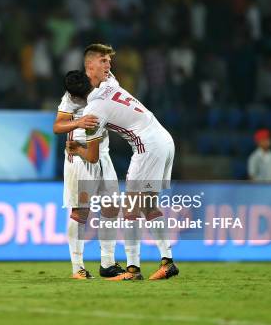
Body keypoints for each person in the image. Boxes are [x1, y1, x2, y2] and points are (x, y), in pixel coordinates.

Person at [64, 69, 179, 280]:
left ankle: (133, 270)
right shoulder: (109, 86)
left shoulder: (92, 111)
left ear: (74, 97)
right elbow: (108, 71)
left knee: (130, 209)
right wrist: (103, 64)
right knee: (149, 205)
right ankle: (167, 262)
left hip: (147, 146)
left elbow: (91, 156)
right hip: (165, 139)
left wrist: (76, 149)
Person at [53, 43, 125, 280]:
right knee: (80, 212)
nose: (109, 65)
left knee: (111, 207)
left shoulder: (110, 84)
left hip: (103, 154)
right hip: (80, 157)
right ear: (90, 65)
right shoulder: (73, 92)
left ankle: (108, 263)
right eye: (104, 61)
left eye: (109, 61)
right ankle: (77, 268)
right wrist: (77, 123)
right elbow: (57, 126)